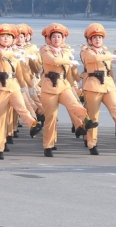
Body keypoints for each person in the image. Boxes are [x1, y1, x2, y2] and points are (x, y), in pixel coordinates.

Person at [38, 23, 88, 157]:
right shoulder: (45, 50)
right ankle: (48, 145)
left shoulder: (65, 50)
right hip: (49, 86)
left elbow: (68, 65)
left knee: (74, 104)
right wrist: (67, 60)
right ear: (49, 38)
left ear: (63, 39)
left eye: (59, 37)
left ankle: (85, 121)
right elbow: (52, 60)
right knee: (51, 118)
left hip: (64, 84)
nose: (56, 39)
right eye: (53, 36)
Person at [80, 23, 116, 155]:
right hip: (93, 86)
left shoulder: (106, 51)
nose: (97, 40)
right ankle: (92, 143)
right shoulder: (86, 51)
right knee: (93, 116)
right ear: (90, 40)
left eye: (100, 38)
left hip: (107, 85)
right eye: (95, 38)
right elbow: (94, 58)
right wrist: (111, 57)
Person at [0, 23, 38, 159]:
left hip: (13, 86)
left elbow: (18, 73)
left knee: (22, 108)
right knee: (0, 119)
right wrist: (15, 52)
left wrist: (26, 87)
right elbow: (1, 54)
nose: (6, 39)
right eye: (3, 36)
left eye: (9, 37)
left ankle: (33, 125)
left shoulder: (15, 56)